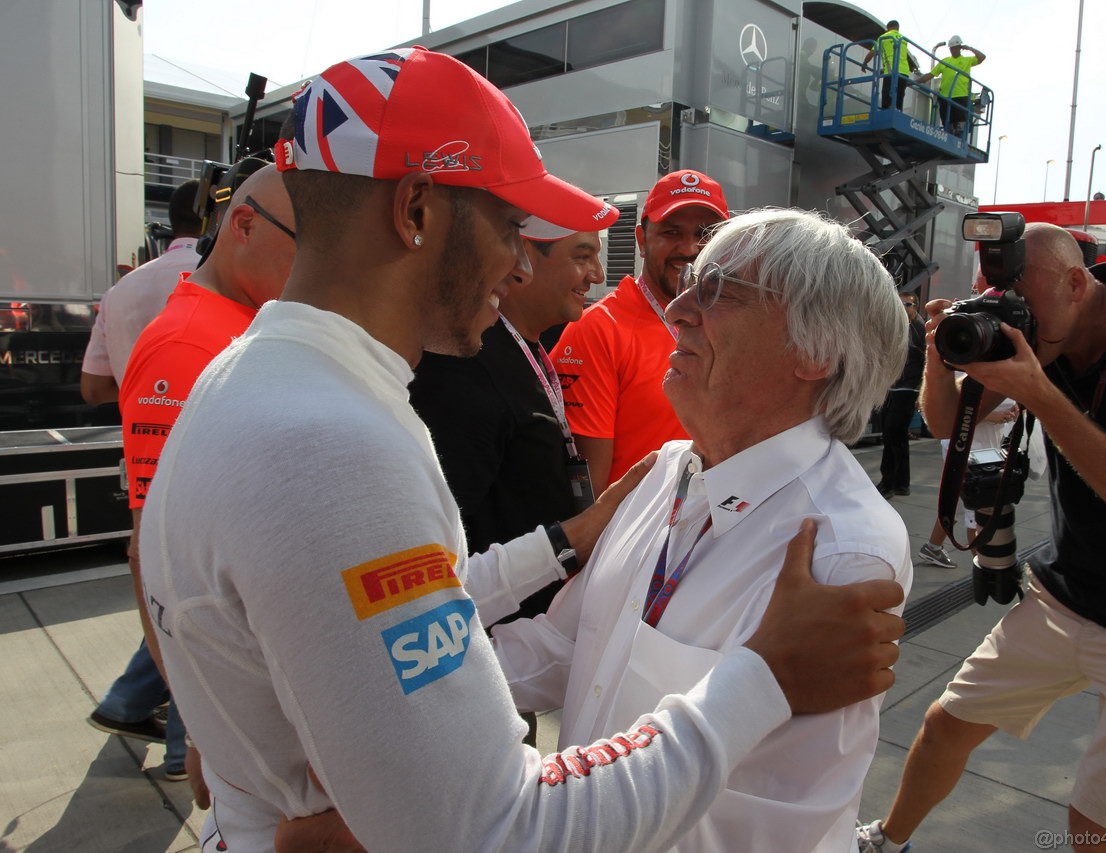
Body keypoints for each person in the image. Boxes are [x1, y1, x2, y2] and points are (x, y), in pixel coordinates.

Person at [139, 47, 906, 852]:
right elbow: (494, 825)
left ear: (815, 350)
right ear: (416, 211)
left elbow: (767, 810)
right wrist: (759, 680)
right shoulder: (334, 445)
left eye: (720, 293)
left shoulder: (247, 377)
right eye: (511, 227)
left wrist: (411, 727)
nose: (518, 261)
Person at [492, 207, 913, 852]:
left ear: (815, 351)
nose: (678, 310)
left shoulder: (843, 548)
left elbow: (770, 827)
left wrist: (533, 816)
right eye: (691, 282)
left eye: (720, 292)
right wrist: (403, 697)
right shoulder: (665, 471)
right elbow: (561, 648)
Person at [858, 224, 1106, 853]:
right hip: (1077, 583)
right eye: (998, 303)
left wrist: (1041, 397)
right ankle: (886, 840)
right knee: (947, 725)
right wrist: (943, 359)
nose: (1010, 320)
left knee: (1099, 827)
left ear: (1078, 284)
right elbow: (944, 421)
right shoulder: (1045, 331)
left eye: (1021, 302)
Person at [115, 161, 296, 797]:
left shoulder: (245, 322)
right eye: (305, 244)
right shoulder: (189, 344)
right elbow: (155, 545)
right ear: (243, 224)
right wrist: (199, 727)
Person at [409, 215, 617, 745]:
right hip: (471, 666)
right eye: (581, 255)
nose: (597, 272)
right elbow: (437, 560)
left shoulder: (520, 349)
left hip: (513, 651)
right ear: (525, 260)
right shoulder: (468, 368)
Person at [83, 178, 204, 781]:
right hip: (201, 461)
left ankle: (128, 701)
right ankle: (184, 745)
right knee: (195, 598)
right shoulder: (213, 287)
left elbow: (92, 387)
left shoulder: (125, 289)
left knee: (166, 591)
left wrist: (141, 391)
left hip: (143, 458)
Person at [552, 169, 729, 489]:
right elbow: (587, 496)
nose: (689, 248)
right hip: (635, 534)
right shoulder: (599, 330)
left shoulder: (733, 324)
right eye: (672, 232)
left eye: (705, 233)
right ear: (642, 240)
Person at [81, 180, 203, 404]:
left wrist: (148, 396)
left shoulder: (118, 291)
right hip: (207, 433)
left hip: (139, 434)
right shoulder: (226, 278)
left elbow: (93, 390)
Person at [916, 396, 1018, 568]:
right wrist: (988, 415)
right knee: (978, 513)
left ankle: (933, 547)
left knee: (955, 505)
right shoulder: (956, 371)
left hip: (985, 446)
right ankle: (986, 570)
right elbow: (943, 408)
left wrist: (1014, 404)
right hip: (967, 449)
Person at [877, 292, 925, 499]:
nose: (904, 308)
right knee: (896, 436)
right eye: (901, 304)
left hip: (909, 388)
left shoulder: (919, 329)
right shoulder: (898, 327)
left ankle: (888, 483)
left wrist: (921, 392)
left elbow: (928, 363)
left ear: (915, 307)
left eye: (908, 304)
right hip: (893, 386)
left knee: (892, 432)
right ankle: (901, 483)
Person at [918, 36, 986, 135]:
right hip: (945, 96)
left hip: (961, 96)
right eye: (951, 48)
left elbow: (982, 57)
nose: (953, 50)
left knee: (960, 124)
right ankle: (948, 134)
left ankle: (959, 137)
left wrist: (970, 48)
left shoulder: (967, 60)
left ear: (960, 48)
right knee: (947, 123)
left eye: (955, 48)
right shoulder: (945, 61)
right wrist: (914, 81)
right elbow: (931, 74)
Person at [877, 20, 914, 110]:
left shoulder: (884, 37)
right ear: (898, 28)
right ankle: (898, 111)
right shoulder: (904, 39)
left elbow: (873, 52)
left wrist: (865, 63)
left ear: (887, 28)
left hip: (892, 71)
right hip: (904, 72)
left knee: (887, 94)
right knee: (899, 95)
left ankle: (886, 112)